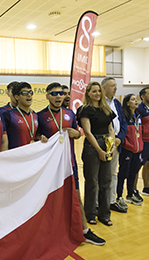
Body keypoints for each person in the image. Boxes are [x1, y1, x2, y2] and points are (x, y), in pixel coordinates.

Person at [37, 82, 105, 245]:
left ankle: (85, 230)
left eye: (61, 93)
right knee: (48, 199)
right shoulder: (39, 116)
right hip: (49, 166)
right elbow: (36, 136)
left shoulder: (69, 113)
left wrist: (76, 133)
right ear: (47, 96)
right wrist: (39, 138)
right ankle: (50, 232)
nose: (58, 96)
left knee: (76, 196)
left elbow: (77, 133)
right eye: (54, 93)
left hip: (69, 164)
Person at [77, 81, 116, 227]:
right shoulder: (84, 110)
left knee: (106, 181)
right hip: (92, 146)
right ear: (88, 93)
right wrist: (99, 150)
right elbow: (87, 132)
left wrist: (111, 147)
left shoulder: (105, 109)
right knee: (92, 182)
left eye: (99, 91)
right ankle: (90, 213)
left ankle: (104, 214)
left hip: (107, 143)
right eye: (94, 91)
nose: (97, 94)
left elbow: (110, 128)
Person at [102, 77, 128, 213]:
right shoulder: (99, 102)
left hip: (116, 143)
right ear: (104, 87)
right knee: (101, 175)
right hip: (103, 142)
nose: (115, 88)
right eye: (112, 85)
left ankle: (111, 201)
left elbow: (123, 122)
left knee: (113, 173)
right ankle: (98, 203)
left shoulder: (117, 103)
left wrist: (119, 138)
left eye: (116, 85)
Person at [117, 94, 144, 206]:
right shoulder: (124, 116)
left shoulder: (138, 116)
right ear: (127, 103)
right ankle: (118, 196)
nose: (136, 101)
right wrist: (126, 144)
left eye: (136, 99)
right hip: (127, 150)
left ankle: (130, 194)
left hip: (137, 150)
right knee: (123, 174)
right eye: (133, 99)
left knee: (133, 173)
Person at [2, 82, 47, 149]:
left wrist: (41, 138)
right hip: (15, 157)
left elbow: (35, 136)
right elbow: (3, 140)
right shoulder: (8, 115)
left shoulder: (35, 115)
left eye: (31, 92)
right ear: (17, 97)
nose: (29, 95)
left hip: (31, 156)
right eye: (25, 93)